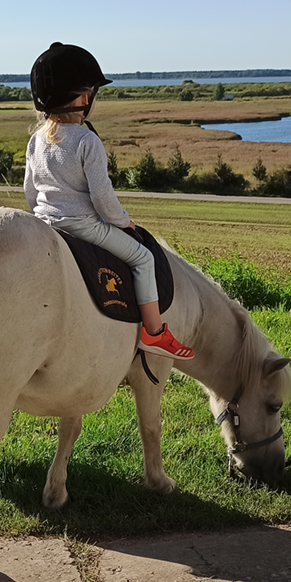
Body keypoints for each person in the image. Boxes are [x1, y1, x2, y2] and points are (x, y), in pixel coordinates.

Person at [24, 42, 194, 360]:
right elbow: (102, 197)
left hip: (46, 221)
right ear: (86, 97)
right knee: (143, 258)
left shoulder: (36, 140)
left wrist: (41, 215)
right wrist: (123, 221)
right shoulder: (87, 141)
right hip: (83, 225)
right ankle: (154, 333)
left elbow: (30, 191)